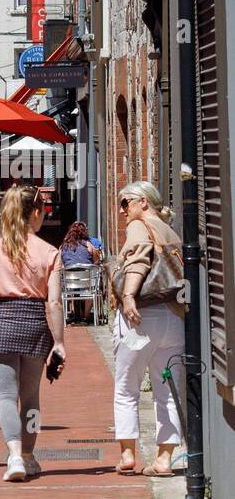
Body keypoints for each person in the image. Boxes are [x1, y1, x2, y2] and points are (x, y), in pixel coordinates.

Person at [0, 184, 66, 482]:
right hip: (35, 323)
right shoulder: (50, 252)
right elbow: (55, 301)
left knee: (7, 396)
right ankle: (30, 456)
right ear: (35, 212)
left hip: (3, 322)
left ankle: (14, 457)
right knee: (31, 397)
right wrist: (59, 341)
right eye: (43, 212)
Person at [112, 182, 185, 476]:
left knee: (126, 388)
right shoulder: (172, 231)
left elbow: (138, 259)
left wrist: (128, 295)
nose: (121, 210)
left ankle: (128, 455)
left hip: (141, 316)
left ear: (143, 202)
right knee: (168, 388)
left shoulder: (141, 226)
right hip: (174, 317)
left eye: (125, 202)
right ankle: (164, 459)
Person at [60, 220, 103, 324]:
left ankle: (74, 313)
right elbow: (96, 262)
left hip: (70, 284)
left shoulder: (63, 247)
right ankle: (85, 316)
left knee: (68, 279)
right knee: (92, 285)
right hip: (87, 283)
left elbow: (60, 265)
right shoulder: (88, 245)